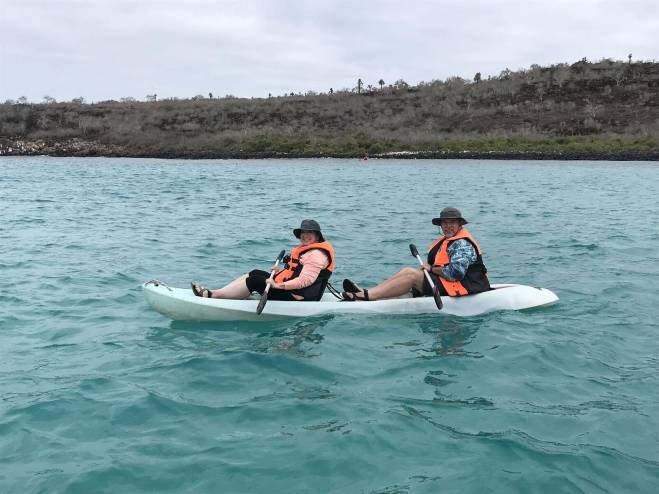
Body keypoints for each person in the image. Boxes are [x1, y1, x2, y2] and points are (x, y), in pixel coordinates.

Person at [342, 207, 490, 301]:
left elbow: (455, 274)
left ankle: (367, 296)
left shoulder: (462, 243)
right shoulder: (445, 241)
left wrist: (431, 269)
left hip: (465, 286)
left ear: (460, 224)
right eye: (444, 223)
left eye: (452, 222)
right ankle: (368, 292)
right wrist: (428, 270)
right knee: (407, 271)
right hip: (449, 283)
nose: (447, 226)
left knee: (412, 276)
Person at [191, 219, 335, 301]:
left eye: (310, 233)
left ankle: (213, 295)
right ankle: (219, 292)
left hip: (300, 297)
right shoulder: (309, 250)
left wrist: (278, 286)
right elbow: (295, 271)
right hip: (293, 290)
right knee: (254, 272)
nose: (305, 236)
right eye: (303, 232)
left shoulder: (317, 255)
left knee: (255, 281)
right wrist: (281, 271)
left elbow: (305, 281)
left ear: (317, 236)